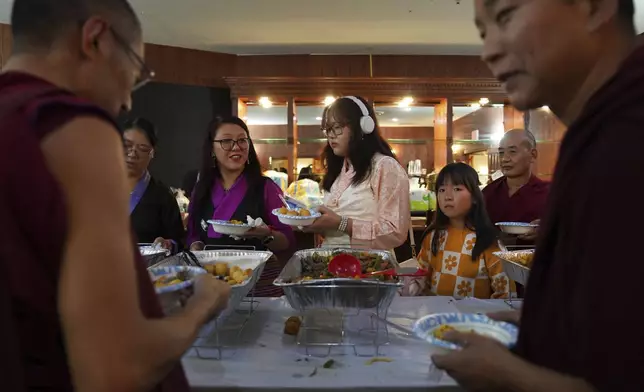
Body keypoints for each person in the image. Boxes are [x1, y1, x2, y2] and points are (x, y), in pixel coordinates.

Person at [0, 1, 231, 391]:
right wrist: (204, 304)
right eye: (135, 72)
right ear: (95, 38)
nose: (126, 101)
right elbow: (115, 371)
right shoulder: (73, 128)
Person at [433, 1, 644, 391]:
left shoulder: (628, 136)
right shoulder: (595, 134)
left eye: (507, 16)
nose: (489, 51)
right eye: (483, 32)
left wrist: (506, 375)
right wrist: (548, 322)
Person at [183, 116, 295, 296]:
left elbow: (287, 241)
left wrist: (267, 235)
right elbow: (193, 234)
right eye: (226, 141)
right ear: (212, 148)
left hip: (258, 285)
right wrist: (196, 248)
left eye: (242, 140)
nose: (236, 147)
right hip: (213, 282)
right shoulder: (201, 189)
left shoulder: (267, 188)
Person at [304, 96, 410, 251]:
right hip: (330, 263)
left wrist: (341, 223)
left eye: (338, 127)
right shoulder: (339, 171)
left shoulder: (384, 167)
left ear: (363, 126)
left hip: (368, 266)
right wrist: (317, 225)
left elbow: (395, 232)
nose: (331, 135)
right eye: (328, 129)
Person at [413, 163, 514, 299]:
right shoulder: (433, 237)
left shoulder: (488, 242)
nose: (447, 196)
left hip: (474, 319)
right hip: (436, 318)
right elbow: (419, 278)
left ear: (474, 198)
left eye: (457, 189)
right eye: (441, 190)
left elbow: (507, 295)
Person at [123, 117, 184, 249]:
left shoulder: (163, 197)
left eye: (142, 148)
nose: (133, 153)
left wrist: (168, 244)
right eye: (127, 145)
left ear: (152, 152)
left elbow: (179, 242)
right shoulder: (97, 190)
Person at [483, 128, 550, 242]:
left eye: (512, 152)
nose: (505, 159)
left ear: (532, 155)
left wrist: (546, 229)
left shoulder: (549, 194)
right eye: (501, 153)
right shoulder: (488, 193)